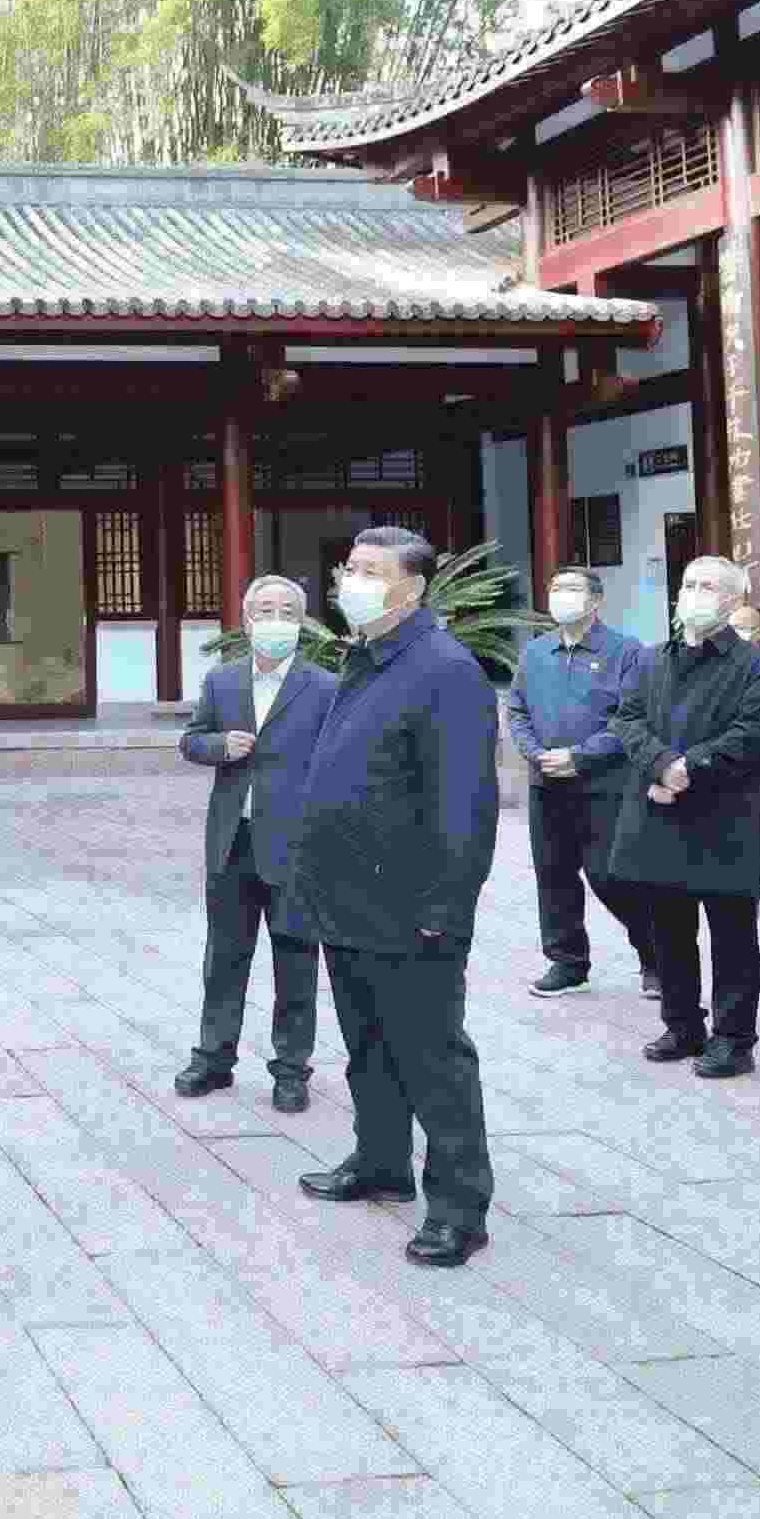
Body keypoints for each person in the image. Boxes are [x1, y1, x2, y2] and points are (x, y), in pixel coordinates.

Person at [290, 527, 502, 1268]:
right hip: (345, 899)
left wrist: (447, 905)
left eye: (369, 571)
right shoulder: (364, 657)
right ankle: (381, 1161)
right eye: (348, 567)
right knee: (369, 1048)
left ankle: (459, 1207)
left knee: (433, 1059)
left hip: (412, 907)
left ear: (409, 588)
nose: (349, 581)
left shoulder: (445, 670)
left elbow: (466, 803)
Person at [600, 556, 760, 1078]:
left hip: (725, 821)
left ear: (734, 600)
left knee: (733, 939)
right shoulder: (650, 660)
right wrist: (663, 765)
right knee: (669, 934)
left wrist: (689, 768)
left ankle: (734, 1039)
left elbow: (750, 735)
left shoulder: (759, 667)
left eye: (709, 586)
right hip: (659, 817)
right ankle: (682, 1025)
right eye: (689, 584)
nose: (695, 594)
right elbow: (627, 719)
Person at [176, 575, 336, 1113]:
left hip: (296, 846)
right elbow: (190, 740)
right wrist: (219, 745)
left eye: (287, 611)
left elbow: (339, 762)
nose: (275, 620)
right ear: (247, 621)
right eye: (265, 610)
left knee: (295, 961)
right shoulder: (221, 681)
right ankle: (213, 1058)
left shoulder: (325, 686)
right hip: (232, 842)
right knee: (224, 958)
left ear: (302, 622)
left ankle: (291, 1069)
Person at [506, 566, 657, 999]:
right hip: (547, 782)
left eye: (571, 588)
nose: (560, 595)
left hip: (604, 784)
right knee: (553, 875)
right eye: (555, 587)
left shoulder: (626, 651)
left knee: (612, 877)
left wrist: (580, 756)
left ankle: (656, 956)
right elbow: (517, 709)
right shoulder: (536, 652)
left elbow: (632, 717)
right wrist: (535, 752)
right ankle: (568, 962)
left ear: (595, 601)